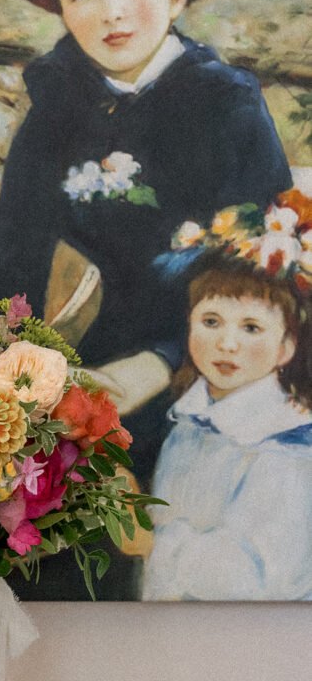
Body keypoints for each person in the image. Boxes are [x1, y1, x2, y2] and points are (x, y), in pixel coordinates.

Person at [0, 0, 292, 488]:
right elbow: (8, 273)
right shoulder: (57, 110)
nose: (110, 11)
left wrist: (165, 361)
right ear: (62, 9)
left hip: (228, 357)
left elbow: (266, 274)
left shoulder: (226, 103)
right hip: (107, 364)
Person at [142, 192, 312, 600]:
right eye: (211, 321)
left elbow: (255, 581)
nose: (227, 344)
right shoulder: (190, 420)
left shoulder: (286, 448)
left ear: (286, 346)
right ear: (189, 324)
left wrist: (149, 541)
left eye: (251, 327)